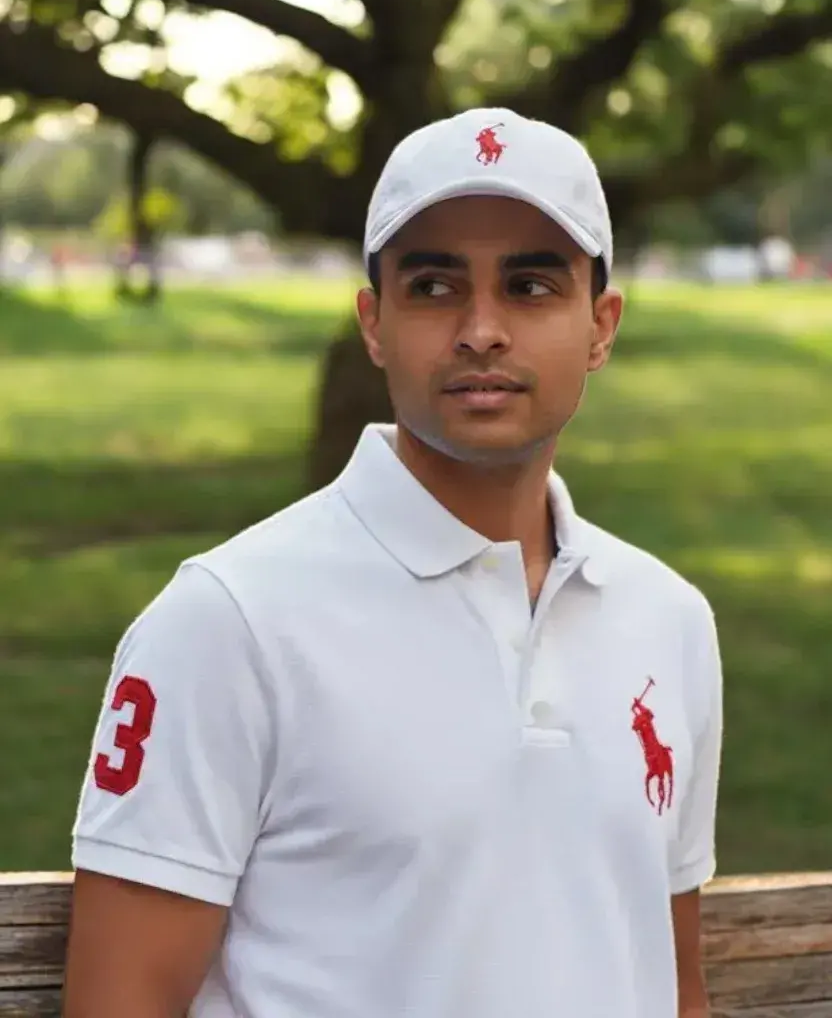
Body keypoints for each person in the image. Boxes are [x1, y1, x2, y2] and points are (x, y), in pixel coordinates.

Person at [64, 107, 722, 1018]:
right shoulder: (228, 621)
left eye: (530, 287)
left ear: (601, 325)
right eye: (434, 286)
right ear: (374, 323)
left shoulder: (669, 619)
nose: (482, 330)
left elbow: (668, 978)